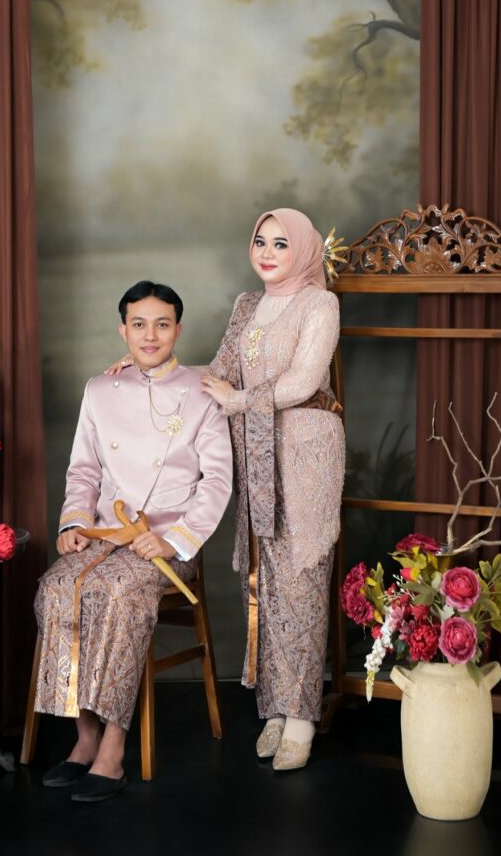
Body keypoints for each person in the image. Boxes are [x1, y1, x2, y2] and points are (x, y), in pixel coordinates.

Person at [110, 209, 344, 771]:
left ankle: (303, 717)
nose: (267, 252)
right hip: (256, 455)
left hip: (305, 454)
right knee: (264, 579)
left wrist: (237, 401)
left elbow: (303, 381)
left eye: (281, 244)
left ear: (303, 250)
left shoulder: (320, 304)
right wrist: (153, 365)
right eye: (260, 241)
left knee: (301, 578)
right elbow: (217, 372)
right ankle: (276, 709)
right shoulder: (247, 306)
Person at [34, 280, 232, 802]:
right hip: (103, 535)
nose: (150, 335)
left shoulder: (204, 391)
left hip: (163, 544)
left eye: (162, 324)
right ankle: (84, 735)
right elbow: (83, 469)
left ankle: (114, 746)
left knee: (119, 594)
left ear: (178, 330)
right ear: (123, 330)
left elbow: (217, 481)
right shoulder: (100, 389)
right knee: (55, 588)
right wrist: (73, 524)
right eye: (139, 324)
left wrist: (175, 540)